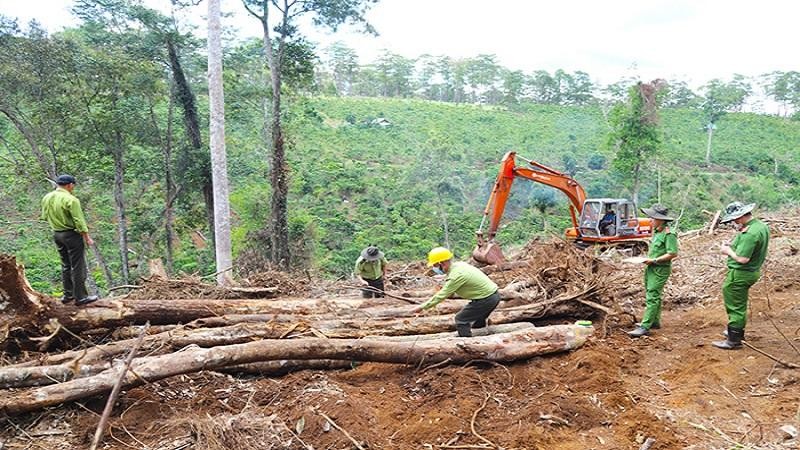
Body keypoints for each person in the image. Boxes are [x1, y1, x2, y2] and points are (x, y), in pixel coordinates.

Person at [712, 202, 770, 350]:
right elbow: (749, 247)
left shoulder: (750, 233)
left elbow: (743, 259)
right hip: (751, 272)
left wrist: (727, 251)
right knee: (740, 303)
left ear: (742, 215)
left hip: (741, 273)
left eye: (735, 218)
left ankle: (734, 340)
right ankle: (736, 332)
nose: (734, 222)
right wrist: (732, 245)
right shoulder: (760, 226)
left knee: (735, 305)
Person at [413, 247, 500, 337]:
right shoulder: (459, 265)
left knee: (461, 319)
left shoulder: (456, 276)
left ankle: (467, 345)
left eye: (435, 266)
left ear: (441, 263)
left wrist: (422, 307)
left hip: (486, 299)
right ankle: (482, 339)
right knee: (478, 320)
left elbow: (441, 295)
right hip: (493, 296)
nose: (434, 269)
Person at [41, 174, 98, 305]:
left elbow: (44, 216)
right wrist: (87, 237)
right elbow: (79, 221)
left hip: (57, 234)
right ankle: (81, 297)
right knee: (77, 266)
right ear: (70, 185)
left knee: (66, 265)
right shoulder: (71, 200)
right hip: (71, 235)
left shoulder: (47, 197)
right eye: (73, 185)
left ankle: (68, 295)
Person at [628, 204, 678, 338]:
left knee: (652, 296)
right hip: (651, 267)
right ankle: (654, 322)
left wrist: (655, 261)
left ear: (660, 219)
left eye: (652, 218)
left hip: (660, 269)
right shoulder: (657, 231)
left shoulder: (669, 234)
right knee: (653, 294)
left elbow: (672, 253)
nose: (650, 220)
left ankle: (645, 326)